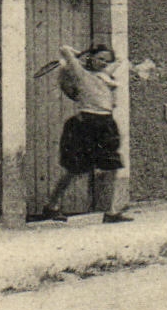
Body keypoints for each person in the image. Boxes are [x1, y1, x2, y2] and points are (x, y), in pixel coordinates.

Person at [30, 44, 132, 224]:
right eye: (100, 58)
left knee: (113, 167)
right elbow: (63, 49)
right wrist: (81, 55)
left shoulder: (106, 76)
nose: (104, 63)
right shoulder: (80, 73)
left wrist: (97, 59)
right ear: (91, 59)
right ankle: (51, 206)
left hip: (106, 124)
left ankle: (111, 212)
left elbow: (121, 59)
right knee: (74, 170)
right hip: (86, 124)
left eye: (106, 60)